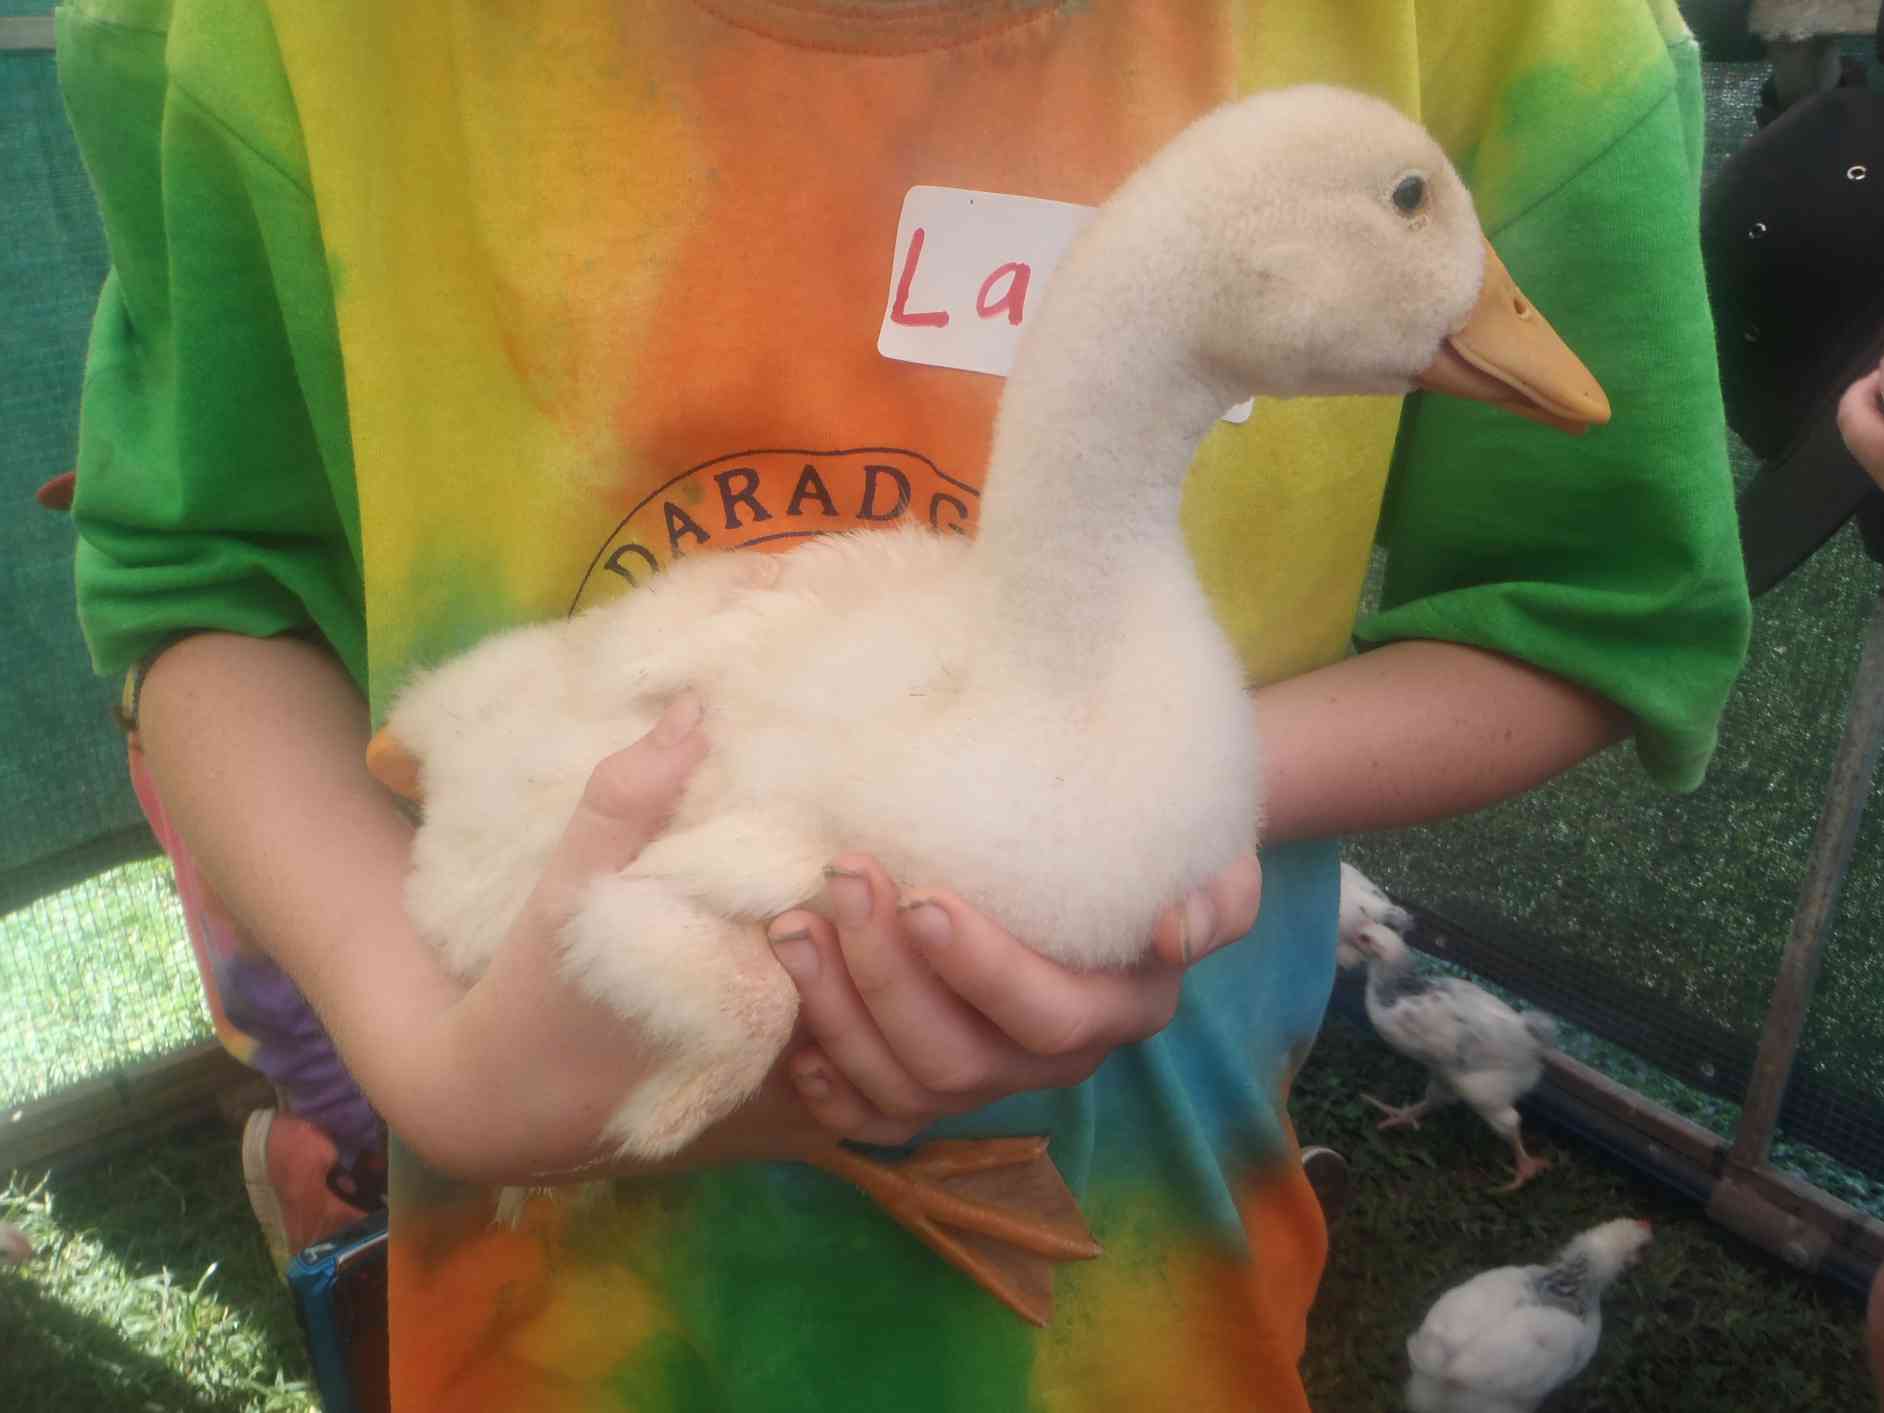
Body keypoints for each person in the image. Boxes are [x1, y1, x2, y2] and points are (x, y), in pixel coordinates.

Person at [57, 2, 1749, 1409]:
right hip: (545, 1333)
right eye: (1408, 216)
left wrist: (1154, 801)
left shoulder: (1520, 34)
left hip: (1150, 1337)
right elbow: (205, 581)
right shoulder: (260, 35)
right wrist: (441, 1070)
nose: (1487, 293)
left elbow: (1603, 615)